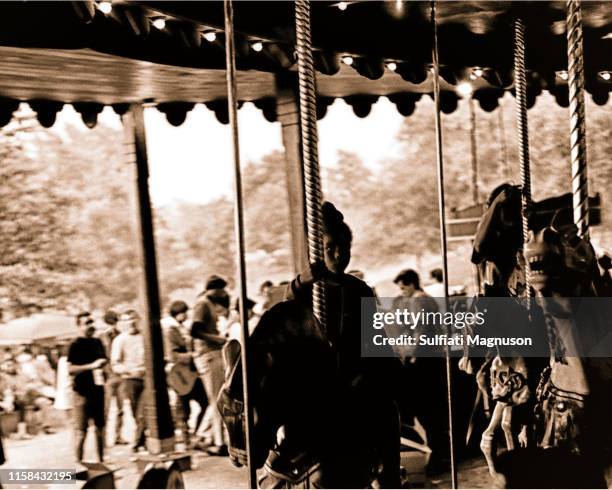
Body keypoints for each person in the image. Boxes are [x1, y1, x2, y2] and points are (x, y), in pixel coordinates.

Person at [286, 202, 401, 488]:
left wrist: (382, 369)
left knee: (388, 412)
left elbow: (375, 337)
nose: (339, 254)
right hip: (318, 382)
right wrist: (302, 282)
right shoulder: (304, 290)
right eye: (330, 247)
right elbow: (288, 315)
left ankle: (388, 476)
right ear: (317, 251)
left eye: (345, 246)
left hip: (357, 376)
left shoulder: (358, 288)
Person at [392, 269, 449, 477]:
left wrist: (407, 355)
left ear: (412, 284)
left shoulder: (419, 301)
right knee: (431, 412)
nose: (402, 291)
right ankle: (438, 453)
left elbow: (420, 332)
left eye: (403, 286)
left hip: (425, 363)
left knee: (428, 411)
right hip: (429, 360)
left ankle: (438, 455)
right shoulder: (423, 300)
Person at [161, 300, 208, 447]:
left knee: (202, 403)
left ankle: (193, 437)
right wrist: (193, 355)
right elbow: (173, 356)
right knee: (185, 409)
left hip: (189, 374)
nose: (186, 314)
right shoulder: (171, 330)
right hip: (181, 375)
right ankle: (189, 439)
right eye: (183, 312)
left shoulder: (179, 329)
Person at [191, 281, 229, 456]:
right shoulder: (203, 303)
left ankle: (214, 438)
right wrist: (218, 339)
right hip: (208, 353)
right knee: (216, 400)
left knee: (217, 398)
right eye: (220, 288)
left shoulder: (207, 304)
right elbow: (195, 331)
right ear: (212, 289)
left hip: (210, 353)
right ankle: (219, 442)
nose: (222, 292)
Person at [67, 311, 107, 464]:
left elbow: (104, 360)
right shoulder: (75, 344)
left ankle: (101, 462)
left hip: (98, 390)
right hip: (81, 392)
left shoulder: (97, 342)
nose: (91, 326)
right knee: (80, 431)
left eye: (91, 322)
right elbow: (70, 369)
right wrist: (91, 366)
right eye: (86, 323)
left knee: (100, 429)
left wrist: (103, 365)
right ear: (79, 326)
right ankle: (78, 464)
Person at [111, 309, 146, 454]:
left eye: (133, 318)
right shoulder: (120, 340)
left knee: (145, 411)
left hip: (147, 378)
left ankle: (138, 442)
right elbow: (115, 364)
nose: (131, 322)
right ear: (123, 323)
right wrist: (128, 370)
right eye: (127, 320)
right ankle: (140, 442)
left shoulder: (145, 337)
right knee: (136, 412)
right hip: (130, 380)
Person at [99, 310, 127, 445]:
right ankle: (103, 438)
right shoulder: (101, 337)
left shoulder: (120, 336)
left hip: (118, 375)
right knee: (106, 409)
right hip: (108, 376)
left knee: (120, 409)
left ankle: (117, 435)